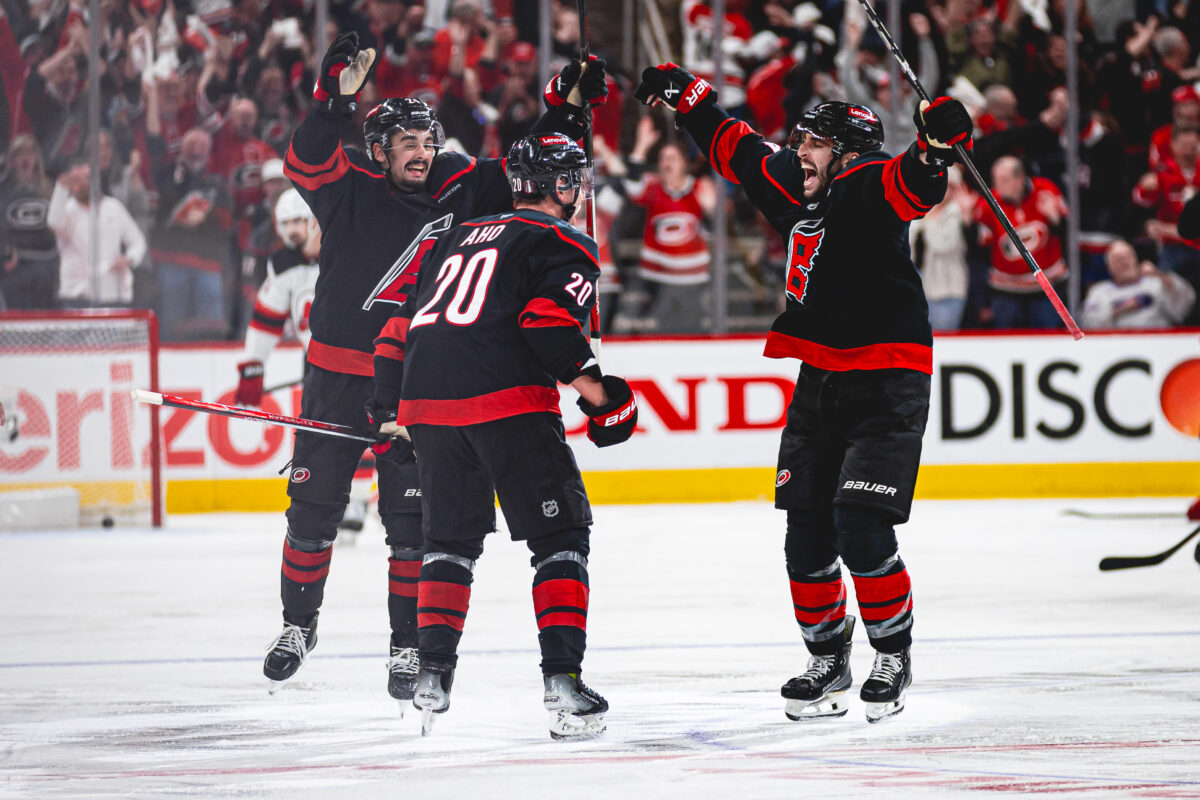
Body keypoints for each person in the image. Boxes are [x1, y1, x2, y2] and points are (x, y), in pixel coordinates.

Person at [263, 31, 607, 710]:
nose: (420, 154)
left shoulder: (461, 182)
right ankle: (297, 626)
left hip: (415, 381)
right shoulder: (349, 183)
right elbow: (302, 160)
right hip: (338, 378)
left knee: (411, 525)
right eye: (407, 145)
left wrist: (565, 111)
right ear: (379, 150)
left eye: (427, 142)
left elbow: (531, 169)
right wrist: (332, 102)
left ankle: (406, 645)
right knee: (311, 513)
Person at [634, 63, 972, 722]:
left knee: (861, 527)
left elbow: (913, 184)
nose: (797, 152)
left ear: (844, 151)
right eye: (798, 142)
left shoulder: (868, 180)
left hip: (888, 378)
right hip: (820, 377)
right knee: (806, 535)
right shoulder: (797, 182)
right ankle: (827, 658)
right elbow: (734, 145)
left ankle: (893, 655)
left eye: (811, 143)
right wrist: (687, 93)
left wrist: (935, 146)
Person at [367, 133, 637, 739]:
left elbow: (394, 325)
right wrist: (602, 398)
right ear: (561, 185)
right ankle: (563, 684)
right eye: (574, 180)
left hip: (429, 406)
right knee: (560, 535)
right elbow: (545, 322)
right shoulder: (564, 239)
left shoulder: (453, 234)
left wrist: (387, 406)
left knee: (449, 542)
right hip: (507, 402)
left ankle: (432, 678)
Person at [234, 189, 375, 535]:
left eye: (299, 221)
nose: (293, 230)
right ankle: (324, 501)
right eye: (286, 224)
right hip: (316, 362)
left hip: (361, 356)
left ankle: (362, 499)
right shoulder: (283, 263)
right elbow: (267, 318)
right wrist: (253, 366)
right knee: (321, 435)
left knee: (371, 429)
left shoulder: (347, 250)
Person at [976, 155, 1068, 329]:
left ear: (1020, 178)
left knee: (1048, 343)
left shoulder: (1046, 191)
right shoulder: (989, 203)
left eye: (1003, 180)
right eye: (995, 179)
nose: (997, 186)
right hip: (1006, 291)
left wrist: (1057, 221)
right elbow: (979, 246)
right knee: (1006, 344)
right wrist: (968, 223)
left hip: (1047, 287)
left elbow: (1067, 234)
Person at [46, 159, 147, 308]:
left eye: (86, 179)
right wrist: (61, 189)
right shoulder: (65, 211)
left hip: (112, 293)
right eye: (76, 180)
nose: (82, 185)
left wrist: (129, 258)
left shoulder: (114, 207)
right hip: (76, 295)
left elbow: (137, 241)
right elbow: (53, 222)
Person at [1080, 239, 1194, 329]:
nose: (1124, 262)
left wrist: (1160, 275)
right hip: (1116, 346)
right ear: (1109, 267)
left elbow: (1187, 304)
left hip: (1157, 343)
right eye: (1118, 259)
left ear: (1135, 260)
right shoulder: (1099, 291)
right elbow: (1088, 324)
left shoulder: (1156, 283)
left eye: (1127, 257)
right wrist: (1120, 310)